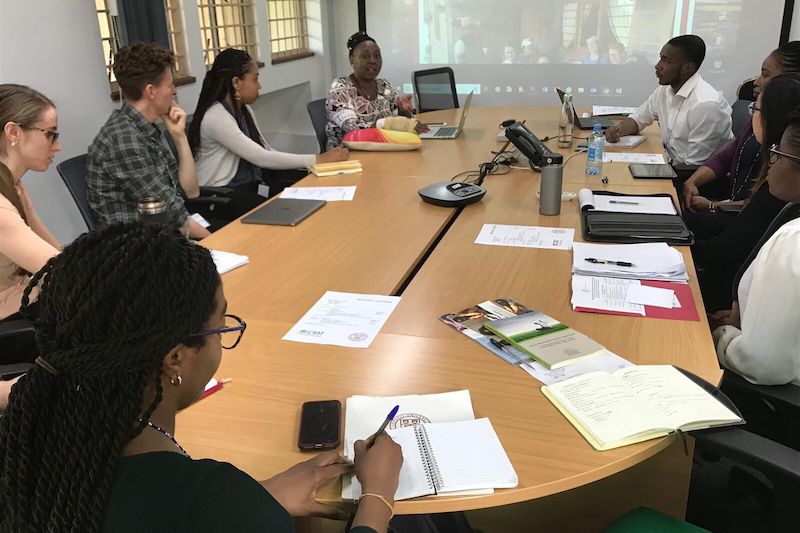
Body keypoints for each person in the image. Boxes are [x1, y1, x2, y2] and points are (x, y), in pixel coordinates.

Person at [0, 222, 402, 532]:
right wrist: (377, 494)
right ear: (175, 359)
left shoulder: (25, 445)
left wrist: (254, 498)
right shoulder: (209, 503)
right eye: (220, 328)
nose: (222, 339)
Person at [189, 49, 349, 220]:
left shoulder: (244, 110)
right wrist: (319, 159)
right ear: (236, 82)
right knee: (290, 211)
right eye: (255, 79)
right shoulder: (216, 116)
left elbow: (266, 150)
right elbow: (261, 157)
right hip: (222, 196)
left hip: (247, 187)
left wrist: (312, 164)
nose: (259, 86)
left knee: (307, 196)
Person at [692, 74, 800, 312]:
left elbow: (723, 251)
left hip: (728, 292)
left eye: (757, 109)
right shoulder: (778, 168)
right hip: (739, 287)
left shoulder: (782, 183)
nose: (752, 116)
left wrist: (668, 242)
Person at [711, 111, 800, 385]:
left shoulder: (793, 240)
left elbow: (761, 365)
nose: (771, 162)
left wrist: (722, 334)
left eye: (777, 153)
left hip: (775, 411)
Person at [87, 42, 209, 239]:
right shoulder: (125, 141)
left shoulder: (142, 129)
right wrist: (216, 243)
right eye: (170, 85)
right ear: (151, 91)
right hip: (137, 249)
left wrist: (180, 137)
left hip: (162, 236)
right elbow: (174, 215)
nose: (174, 92)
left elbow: (191, 192)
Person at [682, 41, 800, 239]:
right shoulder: (758, 121)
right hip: (731, 206)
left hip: (741, 218)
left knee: (678, 224)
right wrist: (692, 181)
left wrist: (713, 206)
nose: (756, 81)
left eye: (766, 74)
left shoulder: (786, 145)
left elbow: (761, 205)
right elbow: (725, 156)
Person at [0, 84, 61, 360]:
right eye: (50, 135)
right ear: (13, 132)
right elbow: (57, 268)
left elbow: (54, 252)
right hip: (11, 328)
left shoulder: (15, 187)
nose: (57, 146)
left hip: (26, 306)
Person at [604, 35, 732, 166]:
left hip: (691, 178)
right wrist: (618, 131)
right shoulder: (663, 91)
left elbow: (694, 167)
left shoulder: (706, 105)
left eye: (666, 61)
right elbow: (638, 119)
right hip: (670, 164)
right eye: (660, 58)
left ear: (687, 68)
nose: (658, 66)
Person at [326, 32, 426, 149]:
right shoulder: (341, 88)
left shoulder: (385, 86)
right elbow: (356, 131)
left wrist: (403, 111)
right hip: (346, 158)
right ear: (352, 60)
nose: (373, 60)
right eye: (365, 56)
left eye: (377, 56)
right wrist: (389, 123)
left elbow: (401, 127)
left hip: (381, 151)